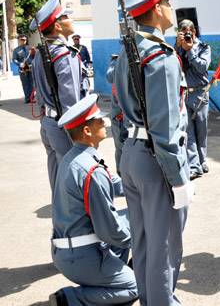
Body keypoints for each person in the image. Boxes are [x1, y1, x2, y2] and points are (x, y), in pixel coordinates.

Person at [113, 0, 193, 305]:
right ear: (157, 8)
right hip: (156, 159)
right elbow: (164, 127)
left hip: (133, 153)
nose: (172, 7)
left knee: (144, 242)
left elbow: (117, 112)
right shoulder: (160, 56)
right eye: (168, 1)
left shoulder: (130, 50)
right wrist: (178, 178)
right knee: (165, 244)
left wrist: (123, 158)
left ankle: (149, 300)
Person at [49, 94, 137, 306]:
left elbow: (119, 185)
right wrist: (142, 241)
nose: (105, 122)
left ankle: (111, 276)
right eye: (99, 120)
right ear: (87, 131)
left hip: (67, 251)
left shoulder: (74, 158)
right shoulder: (91, 170)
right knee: (138, 285)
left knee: (133, 216)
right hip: (82, 257)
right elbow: (111, 231)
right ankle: (70, 298)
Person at [30, 0, 88, 192]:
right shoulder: (64, 54)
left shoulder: (41, 53)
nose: (70, 19)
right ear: (57, 26)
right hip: (64, 126)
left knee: (57, 180)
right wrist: (79, 135)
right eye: (65, 17)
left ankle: (61, 219)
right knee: (72, 185)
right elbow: (71, 102)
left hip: (48, 123)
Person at [175, 19, 211, 180]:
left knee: (201, 131)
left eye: (190, 31)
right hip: (185, 94)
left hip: (200, 94)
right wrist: (178, 48)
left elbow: (202, 67)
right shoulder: (177, 50)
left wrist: (190, 51)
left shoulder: (204, 47)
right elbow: (174, 67)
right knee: (188, 132)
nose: (188, 35)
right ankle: (194, 165)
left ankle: (202, 161)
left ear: (194, 32)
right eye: (184, 32)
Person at [106, 53, 129, 175]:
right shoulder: (117, 59)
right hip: (120, 115)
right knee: (121, 146)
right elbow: (110, 77)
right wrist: (121, 63)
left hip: (135, 115)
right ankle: (122, 176)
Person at [12, 34, 35, 103]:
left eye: (25, 40)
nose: (24, 41)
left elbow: (34, 56)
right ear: (18, 40)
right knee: (25, 83)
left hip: (31, 66)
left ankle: (32, 98)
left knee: (32, 83)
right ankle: (27, 98)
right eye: (22, 40)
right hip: (23, 68)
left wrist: (34, 52)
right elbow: (14, 59)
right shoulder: (16, 50)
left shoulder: (30, 48)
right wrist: (19, 64)